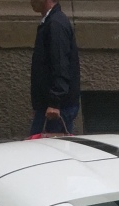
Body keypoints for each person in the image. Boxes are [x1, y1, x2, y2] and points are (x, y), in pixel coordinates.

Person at [29, 0, 81, 136]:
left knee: (45, 151)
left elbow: (60, 64)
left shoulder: (55, 24)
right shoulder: (51, 22)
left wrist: (54, 102)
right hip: (51, 105)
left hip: (56, 107)